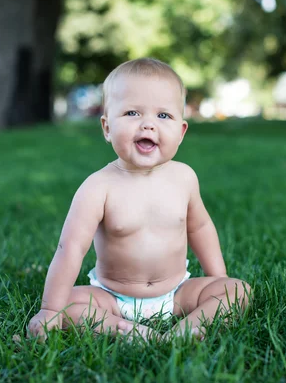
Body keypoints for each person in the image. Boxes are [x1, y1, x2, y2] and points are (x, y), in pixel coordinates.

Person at [27, 58, 251, 341]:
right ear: (107, 128)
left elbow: (200, 229)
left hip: (176, 294)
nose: (148, 125)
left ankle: (184, 331)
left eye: (163, 116)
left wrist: (217, 277)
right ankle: (126, 330)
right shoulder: (97, 187)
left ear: (181, 132)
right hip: (112, 297)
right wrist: (49, 309)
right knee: (67, 307)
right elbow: (69, 248)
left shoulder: (184, 178)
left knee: (238, 291)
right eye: (132, 113)